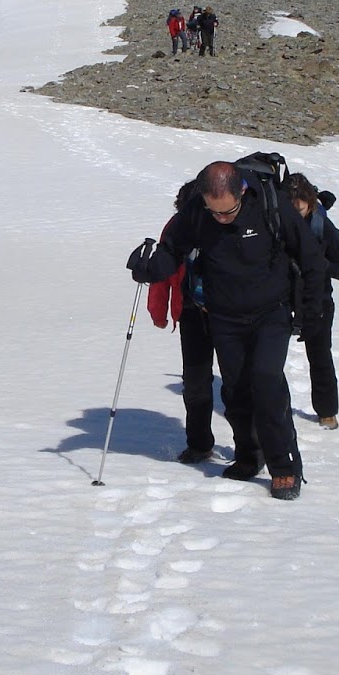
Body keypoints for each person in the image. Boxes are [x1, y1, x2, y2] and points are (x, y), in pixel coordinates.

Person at [128, 161, 326, 500]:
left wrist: (310, 313)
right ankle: (249, 457)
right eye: (214, 212)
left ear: (242, 193)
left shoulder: (269, 203)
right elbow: (173, 250)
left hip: (271, 312)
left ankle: (283, 466)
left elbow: (311, 258)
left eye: (228, 211)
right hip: (224, 317)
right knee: (235, 392)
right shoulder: (197, 211)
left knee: (265, 382)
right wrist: (148, 267)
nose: (221, 218)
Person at [147, 180, 215, 463]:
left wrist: (159, 313)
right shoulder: (175, 228)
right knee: (197, 381)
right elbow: (162, 271)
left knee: (228, 382)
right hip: (191, 312)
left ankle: (246, 448)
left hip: (229, 314)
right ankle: (200, 444)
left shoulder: (225, 224)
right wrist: (159, 312)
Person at [282, 174, 339, 428]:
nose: (295, 213)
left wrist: (316, 264)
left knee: (320, 357)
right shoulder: (278, 223)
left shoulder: (323, 227)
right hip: (282, 299)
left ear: (309, 202)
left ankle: (327, 411)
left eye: (299, 207)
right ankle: (275, 408)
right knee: (270, 359)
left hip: (317, 301)